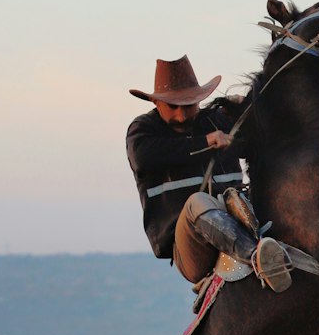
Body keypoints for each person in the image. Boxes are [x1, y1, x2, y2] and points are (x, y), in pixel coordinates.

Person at [125, 55, 292, 292]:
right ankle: (258, 257)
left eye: (189, 106)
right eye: (174, 107)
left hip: (244, 220)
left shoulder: (217, 121)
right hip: (190, 248)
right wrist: (205, 141)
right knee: (196, 203)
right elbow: (144, 157)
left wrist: (248, 112)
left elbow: (259, 143)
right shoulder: (142, 131)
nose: (182, 116)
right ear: (156, 103)